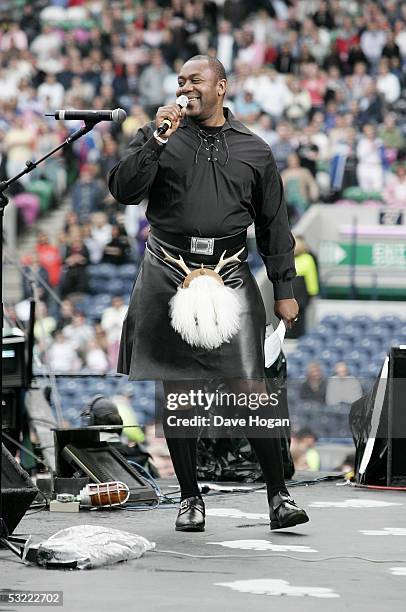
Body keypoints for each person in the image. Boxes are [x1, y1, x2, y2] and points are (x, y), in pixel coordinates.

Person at [108, 55, 308, 533]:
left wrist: (285, 288)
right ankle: (190, 499)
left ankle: (278, 496)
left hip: (232, 273)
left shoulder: (255, 150)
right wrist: (155, 141)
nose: (185, 88)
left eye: (195, 80)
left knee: (250, 388)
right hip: (167, 270)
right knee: (178, 392)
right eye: (180, 81)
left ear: (221, 86)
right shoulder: (158, 134)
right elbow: (123, 189)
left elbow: (274, 226)